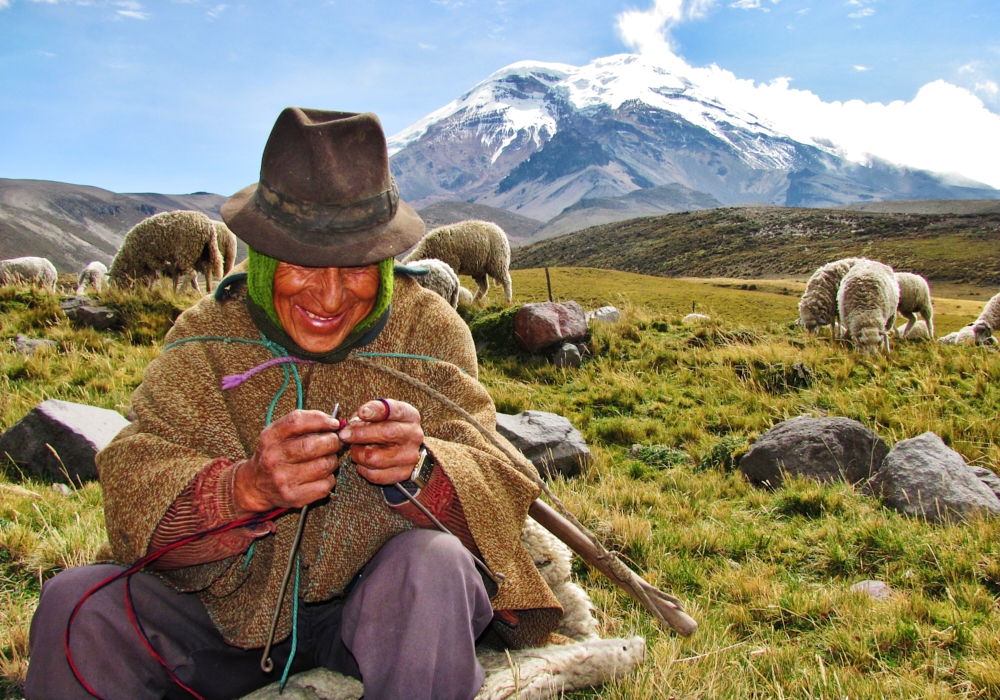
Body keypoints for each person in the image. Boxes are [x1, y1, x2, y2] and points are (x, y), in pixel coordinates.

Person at [24, 108, 562, 700]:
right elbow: (134, 477)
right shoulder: (206, 336)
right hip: (219, 617)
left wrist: (424, 467)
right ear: (262, 252)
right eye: (303, 262)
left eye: (357, 265)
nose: (329, 296)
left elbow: (500, 478)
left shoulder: (428, 328)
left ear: (384, 256)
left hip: (380, 617)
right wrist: (245, 489)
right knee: (77, 607)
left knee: (433, 566)